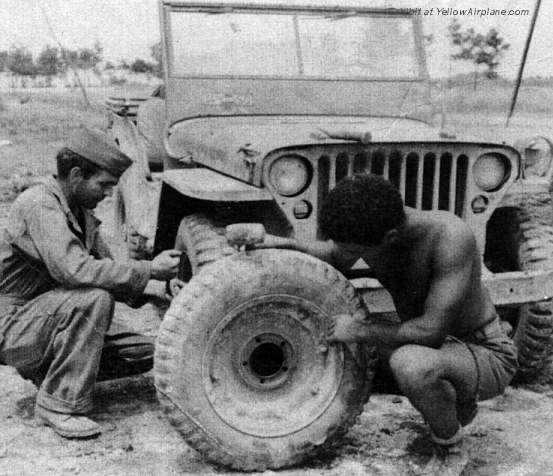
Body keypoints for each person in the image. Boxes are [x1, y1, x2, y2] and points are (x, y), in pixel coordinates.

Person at [226, 173, 517, 447]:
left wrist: (360, 330)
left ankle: (450, 445)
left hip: (482, 349)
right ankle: (455, 400)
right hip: (432, 344)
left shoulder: (450, 237)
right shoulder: (376, 229)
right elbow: (333, 255)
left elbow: (430, 331)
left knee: (410, 365)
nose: (351, 256)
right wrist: (275, 243)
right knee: (338, 352)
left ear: (389, 237)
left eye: (355, 251)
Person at [0, 126, 181, 439]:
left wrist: (162, 291)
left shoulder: (82, 214)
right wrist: (150, 268)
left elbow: (111, 274)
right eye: (104, 184)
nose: (109, 194)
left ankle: (51, 374)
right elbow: (76, 271)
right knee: (94, 300)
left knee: (149, 351)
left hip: (42, 321)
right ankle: (59, 404)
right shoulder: (39, 204)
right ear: (75, 176)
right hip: (12, 325)